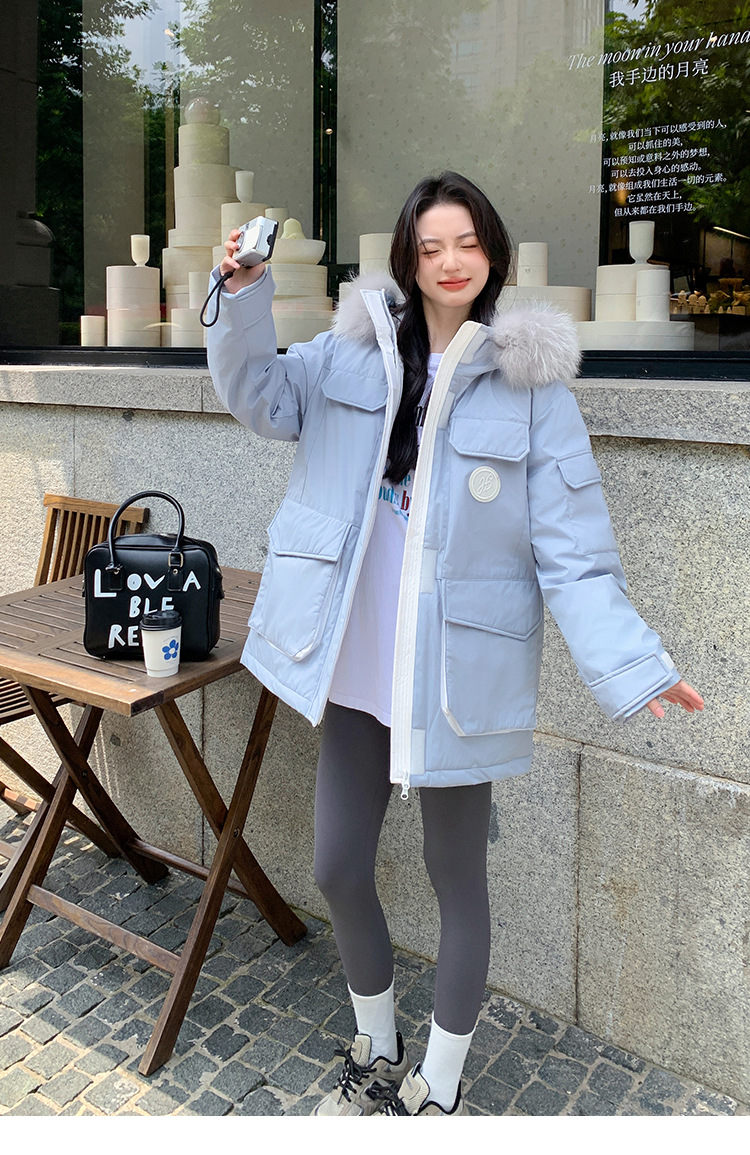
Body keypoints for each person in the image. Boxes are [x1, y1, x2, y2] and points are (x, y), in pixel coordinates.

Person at [207, 172, 703, 1117]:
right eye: (431, 245)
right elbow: (259, 395)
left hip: (454, 676)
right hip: (357, 661)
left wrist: (636, 665)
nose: (450, 262)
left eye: (467, 243)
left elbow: (575, 549)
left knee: (455, 879)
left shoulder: (531, 389)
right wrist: (242, 294)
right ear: (407, 256)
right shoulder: (348, 353)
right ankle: (377, 1035)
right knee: (336, 864)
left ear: (493, 254)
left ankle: (438, 1077)